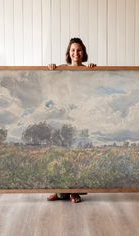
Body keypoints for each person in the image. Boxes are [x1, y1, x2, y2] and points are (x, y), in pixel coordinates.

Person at [47, 37, 96, 203]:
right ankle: (60, 192)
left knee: (76, 154)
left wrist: (92, 69)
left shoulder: (88, 69)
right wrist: (51, 68)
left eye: (79, 50)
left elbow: (93, 89)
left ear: (84, 52)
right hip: (64, 117)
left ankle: (74, 192)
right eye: (73, 50)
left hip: (80, 116)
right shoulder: (61, 70)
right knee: (60, 153)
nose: (76, 53)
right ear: (68, 53)